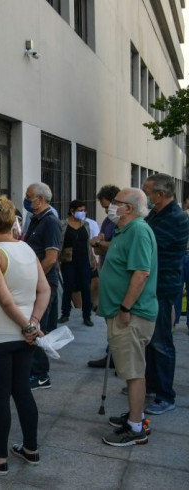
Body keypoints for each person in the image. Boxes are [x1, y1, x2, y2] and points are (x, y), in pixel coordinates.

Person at [0, 196, 50, 475]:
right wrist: (33, 323)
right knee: (22, 391)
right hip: (24, 336)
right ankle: (31, 450)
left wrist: (27, 327)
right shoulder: (27, 249)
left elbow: (5, 301)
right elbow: (44, 290)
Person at [99, 188, 157, 446]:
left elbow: (141, 273)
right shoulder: (126, 230)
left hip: (130, 316)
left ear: (128, 209)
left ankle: (136, 428)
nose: (112, 206)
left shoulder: (138, 231)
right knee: (131, 369)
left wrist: (125, 308)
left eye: (116, 203)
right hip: (122, 313)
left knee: (133, 372)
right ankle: (135, 416)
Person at [141, 174, 189, 415]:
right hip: (152, 286)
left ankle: (165, 395)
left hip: (162, 287)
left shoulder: (176, 218)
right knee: (150, 340)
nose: (145, 195)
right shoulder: (156, 214)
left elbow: (148, 244)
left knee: (161, 342)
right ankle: (150, 386)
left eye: (147, 191)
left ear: (160, 194)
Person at [23, 183, 61, 390]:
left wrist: (35, 281)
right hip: (36, 283)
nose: (27, 200)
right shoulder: (36, 220)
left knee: (36, 328)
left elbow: (51, 258)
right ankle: (32, 370)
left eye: (29, 197)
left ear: (40, 199)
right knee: (31, 328)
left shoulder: (50, 222)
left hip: (43, 285)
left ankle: (40, 375)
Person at [87, 184, 121, 368]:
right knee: (109, 317)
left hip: (118, 273)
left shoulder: (123, 221)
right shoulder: (109, 220)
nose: (107, 211)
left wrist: (101, 243)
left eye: (109, 207)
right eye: (105, 208)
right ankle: (111, 354)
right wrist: (99, 242)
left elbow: (118, 244)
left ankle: (117, 356)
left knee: (116, 318)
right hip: (106, 269)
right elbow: (100, 240)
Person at [58, 200, 96, 326]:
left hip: (84, 260)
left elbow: (88, 243)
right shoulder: (63, 224)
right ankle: (65, 314)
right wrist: (57, 260)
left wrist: (92, 258)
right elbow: (59, 243)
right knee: (69, 286)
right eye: (80, 210)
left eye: (84, 210)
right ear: (72, 211)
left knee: (85, 287)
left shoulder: (85, 225)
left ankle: (87, 315)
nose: (82, 213)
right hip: (68, 260)